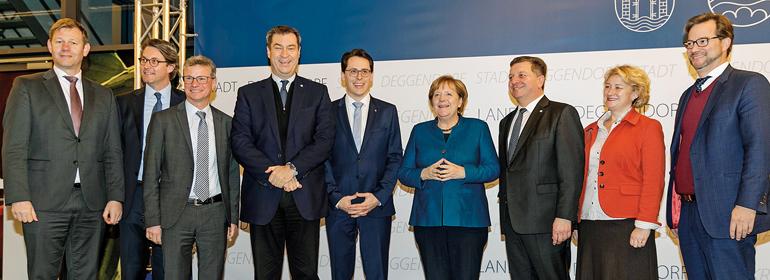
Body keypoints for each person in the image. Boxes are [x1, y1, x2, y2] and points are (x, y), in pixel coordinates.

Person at [2, 18, 124, 279]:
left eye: (72, 42)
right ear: (49, 46)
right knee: (43, 274)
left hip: (92, 202)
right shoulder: (26, 87)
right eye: (59, 41)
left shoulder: (104, 95)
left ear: (86, 49)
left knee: (86, 275)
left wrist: (115, 196)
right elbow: (14, 147)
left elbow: (112, 151)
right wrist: (19, 196)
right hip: (42, 203)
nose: (65, 47)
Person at [666, 13, 770, 279]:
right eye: (689, 44)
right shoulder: (687, 94)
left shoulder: (749, 83)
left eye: (702, 40)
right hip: (689, 216)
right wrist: (675, 212)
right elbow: (681, 155)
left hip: (729, 214)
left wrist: (748, 206)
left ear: (725, 43)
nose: (694, 49)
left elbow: (759, 150)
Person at [231, 25, 335, 280]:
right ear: (268, 51)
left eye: (290, 48)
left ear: (299, 52)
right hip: (263, 196)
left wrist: (291, 169)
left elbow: (324, 140)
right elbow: (240, 141)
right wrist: (274, 175)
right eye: (278, 47)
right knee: (265, 275)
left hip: (304, 197)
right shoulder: (249, 94)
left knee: (306, 274)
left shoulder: (317, 92)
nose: (284, 54)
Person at [142, 55, 240, 280]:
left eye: (202, 78)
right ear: (183, 82)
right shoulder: (162, 120)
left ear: (214, 83)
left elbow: (231, 174)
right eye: (189, 78)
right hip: (175, 214)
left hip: (214, 213)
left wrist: (232, 217)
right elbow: (150, 175)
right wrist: (153, 221)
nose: (195, 84)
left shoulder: (227, 123)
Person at [398, 75, 499, 280]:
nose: (442, 99)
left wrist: (464, 172)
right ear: (432, 102)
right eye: (436, 94)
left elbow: (494, 169)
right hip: (428, 222)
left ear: (461, 101)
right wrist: (423, 174)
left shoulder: (478, 128)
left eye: (448, 94)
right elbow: (403, 173)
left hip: (469, 222)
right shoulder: (419, 131)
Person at [575, 65, 665, 279]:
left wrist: (644, 225)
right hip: (590, 223)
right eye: (607, 86)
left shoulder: (648, 127)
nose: (610, 92)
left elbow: (653, 179)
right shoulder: (589, 130)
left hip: (627, 224)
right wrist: (576, 219)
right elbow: (581, 177)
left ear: (635, 93)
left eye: (618, 87)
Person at [498, 56, 584, 280]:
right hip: (513, 223)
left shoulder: (561, 113)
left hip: (547, 223)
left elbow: (571, 172)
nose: (514, 81)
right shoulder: (506, 122)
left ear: (540, 79)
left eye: (521, 75)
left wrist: (565, 217)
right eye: (511, 77)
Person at [325, 48, 403, 280]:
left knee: (377, 273)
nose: (359, 77)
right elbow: (321, 159)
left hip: (376, 207)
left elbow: (395, 157)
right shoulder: (327, 112)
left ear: (371, 76)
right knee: (340, 274)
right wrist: (336, 198)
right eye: (353, 71)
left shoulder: (388, 111)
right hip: (339, 208)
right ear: (342, 75)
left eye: (364, 72)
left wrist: (378, 196)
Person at [116, 38, 185, 280]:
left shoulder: (186, 103)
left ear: (171, 67)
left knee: (168, 271)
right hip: (133, 196)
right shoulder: (123, 102)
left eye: (155, 61)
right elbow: (114, 153)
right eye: (144, 60)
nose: (147, 65)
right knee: (131, 270)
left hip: (171, 198)